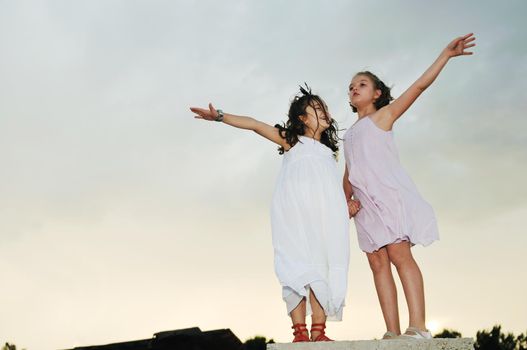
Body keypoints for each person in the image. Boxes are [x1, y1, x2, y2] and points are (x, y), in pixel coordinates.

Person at [190, 86, 349, 342]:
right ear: (302, 118)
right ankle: (300, 333)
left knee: (322, 267)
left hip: (323, 219)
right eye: (317, 108)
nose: (324, 111)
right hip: (294, 217)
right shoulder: (293, 141)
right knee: (296, 266)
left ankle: (319, 332)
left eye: (324, 108)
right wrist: (220, 116)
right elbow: (254, 124)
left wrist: (345, 205)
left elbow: (330, 188)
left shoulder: (329, 153)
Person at [343, 33, 476, 339]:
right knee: (378, 263)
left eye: (361, 84)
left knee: (399, 255)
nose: (354, 88)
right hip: (364, 207)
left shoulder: (383, 116)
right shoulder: (350, 133)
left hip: (387, 198)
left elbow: (418, 86)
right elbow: (349, 174)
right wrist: (343, 204)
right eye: (351, 86)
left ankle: (417, 326)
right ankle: (391, 331)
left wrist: (446, 55)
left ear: (377, 93)